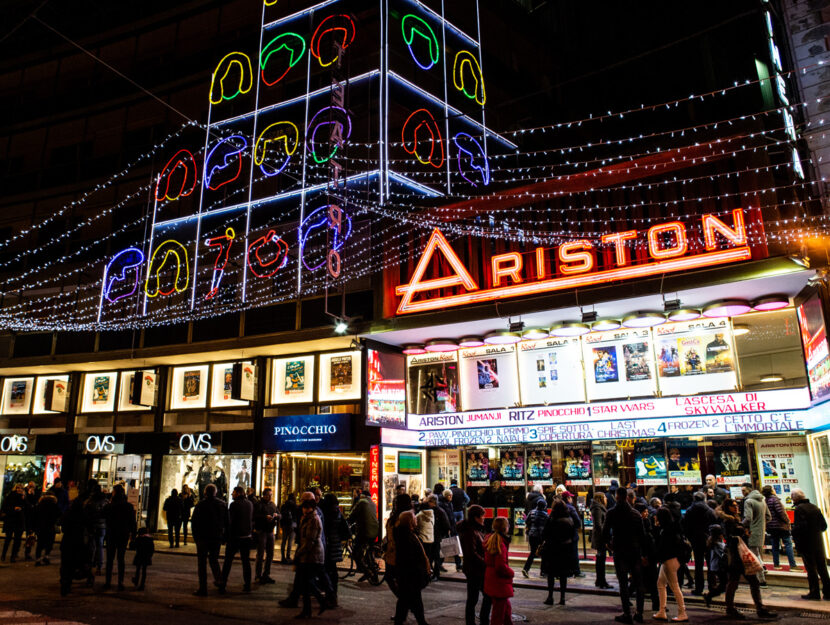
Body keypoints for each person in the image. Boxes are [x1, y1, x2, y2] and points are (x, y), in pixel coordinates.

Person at [718, 497, 777, 619]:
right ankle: (737, 608)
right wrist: (742, 532)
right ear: (727, 507)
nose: (736, 507)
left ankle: (756, 608)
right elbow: (730, 537)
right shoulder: (728, 521)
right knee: (735, 582)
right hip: (735, 556)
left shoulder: (734, 519)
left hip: (740, 555)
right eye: (733, 505)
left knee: (745, 582)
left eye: (737, 505)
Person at [603, 488, 646, 624]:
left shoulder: (612, 513)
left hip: (620, 551)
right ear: (627, 497)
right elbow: (642, 536)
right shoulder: (635, 514)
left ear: (616, 497)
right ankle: (639, 613)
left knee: (623, 583)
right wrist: (644, 553)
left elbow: (605, 533)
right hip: (634, 550)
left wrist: (609, 544)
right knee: (638, 582)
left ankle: (627, 613)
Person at [791, 488, 830, 600]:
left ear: (795, 498)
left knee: (811, 569)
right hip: (818, 542)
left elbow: (801, 527)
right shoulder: (815, 507)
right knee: (822, 568)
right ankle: (828, 592)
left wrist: (793, 531)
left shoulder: (799, 509)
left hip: (806, 543)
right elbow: (824, 526)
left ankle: (814, 592)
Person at [394, 510, 431, 625]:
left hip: (409, 575)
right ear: (410, 521)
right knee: (413, 600)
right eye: (414, 518)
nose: (416, 519)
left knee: (405, 601)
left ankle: (401, 621)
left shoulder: (408, 534)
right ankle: (420, 621)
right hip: (410, 575)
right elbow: (410, 558)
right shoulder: (406, 537)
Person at [190, 483, 228, 596]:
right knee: (214, 560)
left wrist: (196, 537)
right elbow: (227, 522)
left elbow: (194, 522)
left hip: (203, 537)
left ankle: (203, 588)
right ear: (215, 492)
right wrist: (224, 536)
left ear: (205, 492)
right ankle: (221, 583)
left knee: (202, 563)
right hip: (216, 537)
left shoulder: (201, 504)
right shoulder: (222, 505)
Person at [294, 497, 328, 618]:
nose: (304, 510)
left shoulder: (314, 519)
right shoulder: (306, 518)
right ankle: (308, 609)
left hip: (313, 555)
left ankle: (319, 601)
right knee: (305, 583)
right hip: (307, 554)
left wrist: (298, 553)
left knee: (307, 582)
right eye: (304, 507)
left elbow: (310, 541)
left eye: (306, 507)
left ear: (311, 508)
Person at [652, 507, 688, 622]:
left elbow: (662, 546)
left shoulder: (666, 531)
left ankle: (682, 612)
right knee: (661, 583)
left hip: (669, 559)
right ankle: (661, 610)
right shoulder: (672, 527)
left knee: (674, 585)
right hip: (671, 559)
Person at [458, 505, 491, 625]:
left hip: (476, 568)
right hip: (475, 569)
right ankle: (479, 621)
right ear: (476, 517)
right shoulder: (470, 531)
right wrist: (485, 562)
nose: (484, 519)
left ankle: (477, 621)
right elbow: (471, 553)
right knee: (477, 598)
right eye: (482, 516)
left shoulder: (475, 529)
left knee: (477, 597)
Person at [219, 486, 254, 592]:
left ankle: (223, 584)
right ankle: (247, 585)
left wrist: (226, 536)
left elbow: (230, 522)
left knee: (228, 562)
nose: (232, 494)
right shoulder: (249, 504)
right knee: (246, 562)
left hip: (235, 537)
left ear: (238, 493)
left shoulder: (234, 505)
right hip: (246, 537)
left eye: (233, 493)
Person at [103, 484, 137, 590]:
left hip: (112, 534)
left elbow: (104, 518)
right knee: (120, 559)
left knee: (110, 559)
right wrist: (133, 535)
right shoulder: (128, 506)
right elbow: (133, 522)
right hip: (123, 534)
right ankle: (120, 582)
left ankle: (108, 581)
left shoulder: (109, 506)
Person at [682, 491, 716, 595]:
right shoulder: (709, 510)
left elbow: (685, 526)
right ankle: (712, 586)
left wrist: (690, 538)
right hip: (708, 539)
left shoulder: (689, 511)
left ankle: (699, 588)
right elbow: (715, 524)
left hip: (696, 540)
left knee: (698, 564)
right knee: (711, 564)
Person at [541, 500, 574, 605]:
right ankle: (562, 597)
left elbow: (545, 534)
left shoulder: (551, 519)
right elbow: (573, 535)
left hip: (553, 549)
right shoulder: (569, 519)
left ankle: (550, 596)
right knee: (563, 575)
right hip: (565, 550)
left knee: (551, 574)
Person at [484, 517, 514, 625]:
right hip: (499, 583)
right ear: (505, 528)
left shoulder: (490, 539)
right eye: (508, 525)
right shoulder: (500, 544)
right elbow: (501, 566)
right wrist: (511, 572)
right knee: (498, 613)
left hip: (491, 579)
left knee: (505, 609)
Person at [320, 493, 348, 605]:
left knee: (327, 570)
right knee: (333, 570)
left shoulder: (327, 513)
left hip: (328, 544)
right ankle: (332, 595)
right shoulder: (338, 512)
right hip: (336, 544)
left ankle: (330, 595)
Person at [741, 482, 770, 587]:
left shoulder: (748, 501)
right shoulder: (762, 500)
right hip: (761, 530)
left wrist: (741, 525)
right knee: (757, 553)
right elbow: (768, 517)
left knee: (755, 554)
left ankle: (761, 580)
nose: (742, 492)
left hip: (751, 531)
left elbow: (748, 518)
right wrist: (761, 524)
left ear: (749, 490)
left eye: (744, 490)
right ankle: (763, 568)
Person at [762, 485, 797, 570]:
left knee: (775, 545)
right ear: (771, 491)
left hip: (771, 526)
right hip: (780, 525)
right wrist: (787, 521)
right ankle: (792, 565)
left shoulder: (765, 501)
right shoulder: (775, 500)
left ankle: (776, 564)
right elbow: (781, 512)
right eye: (773, 489)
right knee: (788, 543)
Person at [348, 489, 379, 581]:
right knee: (368, 553)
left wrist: (347, 522)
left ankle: (367, 572)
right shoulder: (373, 504)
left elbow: (353, 514)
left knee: (356, 553)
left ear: (363, 496)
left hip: (364, 531)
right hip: (374, 532)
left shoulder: (361, 502)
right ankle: (374, 575)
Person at [385, 493, 412, 597]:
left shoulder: (405, 517)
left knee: (401, 582)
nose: (395, 504)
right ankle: (405, 603)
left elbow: (404, 538)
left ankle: (405, 602)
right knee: (397, 581)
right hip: (393, 554)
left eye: (397, 502)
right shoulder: (397, 516)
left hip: (400, 555)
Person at [254, 487, 279, 584]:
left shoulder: (273, 504)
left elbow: (279, 513)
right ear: (264, 495)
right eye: (268, 495)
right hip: (262, 531)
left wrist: (277, 516)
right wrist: (265, 517)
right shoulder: (259, 504)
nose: (270, 497)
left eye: (271, 495)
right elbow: (255, 516)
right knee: (260, 554)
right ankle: (258, 575)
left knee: (270, 554)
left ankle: (266, 574)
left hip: (270, 531)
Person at [591, 492, 613, 589]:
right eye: (604, 497)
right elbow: (598, 525)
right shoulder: (597, 509)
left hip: (600, 537)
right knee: (601, 558)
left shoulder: (599, 508)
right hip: (601, 538)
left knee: (601, 558)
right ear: (600, 498)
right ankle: (601, 580)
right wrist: (605, 536)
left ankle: (599, 580)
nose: (606, 499)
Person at [522, 498, 548, 578]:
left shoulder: (531, 512)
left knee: (533, 552)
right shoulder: (545, 514)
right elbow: (547, 525)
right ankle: (543, 571)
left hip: (532, 535)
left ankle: (526, 569)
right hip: (540, 535)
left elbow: (527, 521)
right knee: (544, 553)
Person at [427, 494, 451, 579]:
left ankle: (435, 574)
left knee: (435, 556)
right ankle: (432, 572)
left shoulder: (439, 511)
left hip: (436, 536)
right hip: (433, 536)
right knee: (432, 556)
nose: (427, 502)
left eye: (429, 501)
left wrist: (442, 535)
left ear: (433, 502)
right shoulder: (437, 511)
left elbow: (446, 525)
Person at [1, 483, 26, 562]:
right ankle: (3, 555)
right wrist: (13, 508)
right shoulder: (10, 496)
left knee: (17, 540)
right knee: (8, 539)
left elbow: (27, 507)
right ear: (15, 488)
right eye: (18, 488)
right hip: (10, 520)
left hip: (19, 521)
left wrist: (24, 498)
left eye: (21, 488)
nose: (19, 489)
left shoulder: (23, 497)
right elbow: (4, 507)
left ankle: (13, 556)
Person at [703, 524, 727, 606]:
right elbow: (723, 554)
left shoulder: (714, 541)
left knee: (724, 584)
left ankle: (710, 595)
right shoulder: (717, 544)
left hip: (716, 567)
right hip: (719, 567)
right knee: (724, 585)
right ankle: (709, 595)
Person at [33, 490, 60, 566]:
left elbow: (35, 515)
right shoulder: (54, 505)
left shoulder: (40, 504)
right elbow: (59, 514)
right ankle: (46, 556)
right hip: (50, 527)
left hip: (41, 527)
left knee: (40, 543)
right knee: (49, 543)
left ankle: (38, 559)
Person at [561, 491, 583, 577]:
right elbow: (577, 521)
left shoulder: (559, 507)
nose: (572, 499)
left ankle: (567, 570)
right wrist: (575, 527)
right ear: (567, 498)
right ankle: (576, 571)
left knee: (565, 553)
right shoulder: (571, 508)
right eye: (570, 497)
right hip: (572, 534)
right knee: (574, 552)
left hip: (563, 534)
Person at [438, 489, 461, 572]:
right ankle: (439, 564)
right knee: (446, 546)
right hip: (447, 528)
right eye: (449, 495)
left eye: (451, 495)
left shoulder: (449, 504)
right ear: (445, 496)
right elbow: (445, 517)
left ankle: (458, 564)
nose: (451, 497)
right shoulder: (442, 504)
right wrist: (447, 528)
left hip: (451, 527)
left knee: (453, 545)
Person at [415, 497, 436, 573]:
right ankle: (429, 570)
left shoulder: (419, 515)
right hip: (430, 538)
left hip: (422, 538)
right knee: (428, 556)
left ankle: (423, 571)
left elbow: (416, 526)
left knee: (422, 557)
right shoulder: (432, 514)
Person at [132, 526, 155, 590]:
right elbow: (152, 549)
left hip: (139, 556)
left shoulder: (138, 539)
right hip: (146, 557)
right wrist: (150, 555)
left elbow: (133, 546)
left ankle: (136, 580)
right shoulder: (150, 539)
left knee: (138, 569)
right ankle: (142, 584)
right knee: (144, 571)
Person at [280, 493, 298, 563]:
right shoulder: (295, 506)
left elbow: (281, 516)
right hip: (292, 525)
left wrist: (281, 525)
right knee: (290, 542)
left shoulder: (284, 505)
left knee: (283, 541)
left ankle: (282, 557)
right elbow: (296, 516)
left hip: (285, 525)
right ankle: (288, 556)